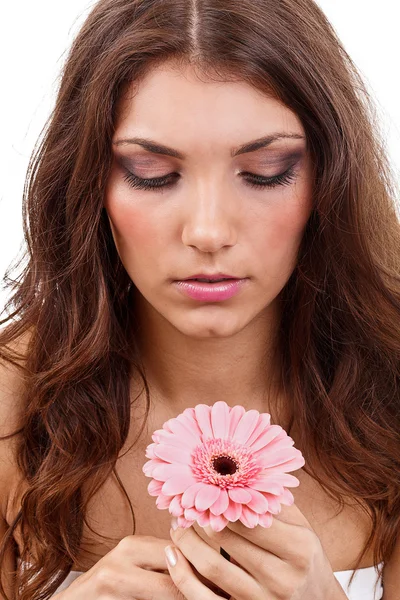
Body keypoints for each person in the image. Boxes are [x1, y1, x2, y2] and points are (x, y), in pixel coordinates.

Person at [0, 0, 399, 598]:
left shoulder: (389, 395)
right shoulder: (10, 407)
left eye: (266, 172)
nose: (209, 232)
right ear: (90, 186)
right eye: (152, 173)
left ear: (329, 178)